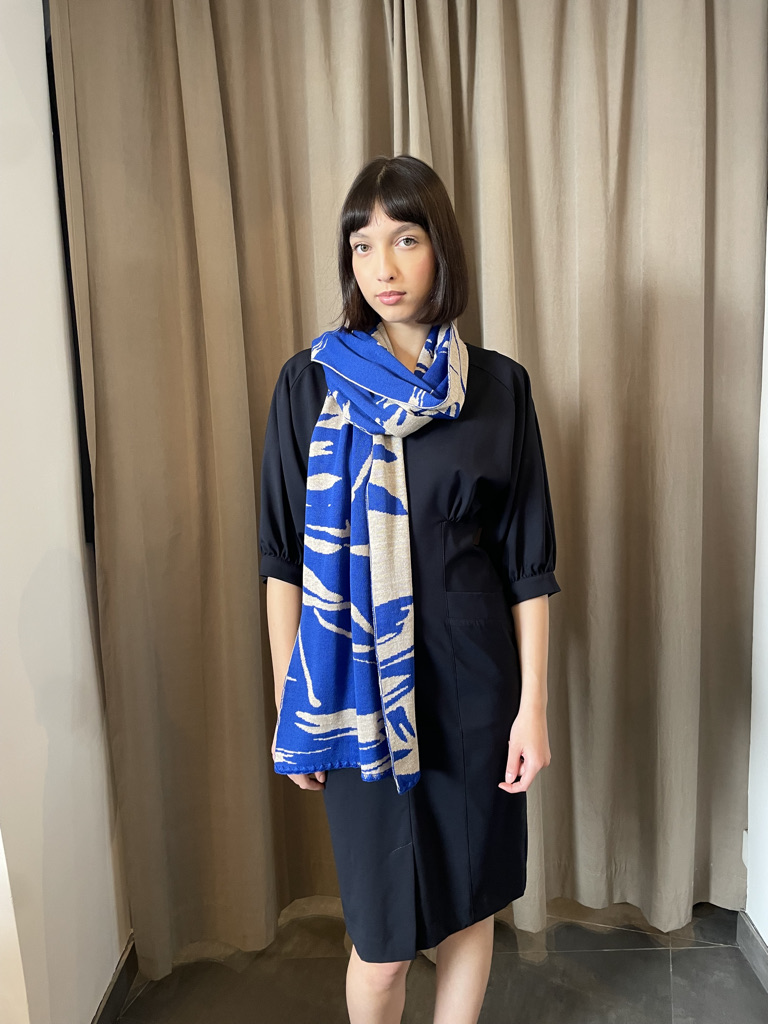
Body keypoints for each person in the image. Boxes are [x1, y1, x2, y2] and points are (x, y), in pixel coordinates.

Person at [259, 154, 560, 1024]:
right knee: (383, 945)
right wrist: (291, 702)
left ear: (442, 249)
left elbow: (528, 566)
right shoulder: (309, 385)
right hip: (352, 695)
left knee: (469, 907)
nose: (382, 267)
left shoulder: (498, 388)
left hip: (472, 689)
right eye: (362, 246)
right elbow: (282, 559)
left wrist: (532, 708)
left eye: (405, 240)